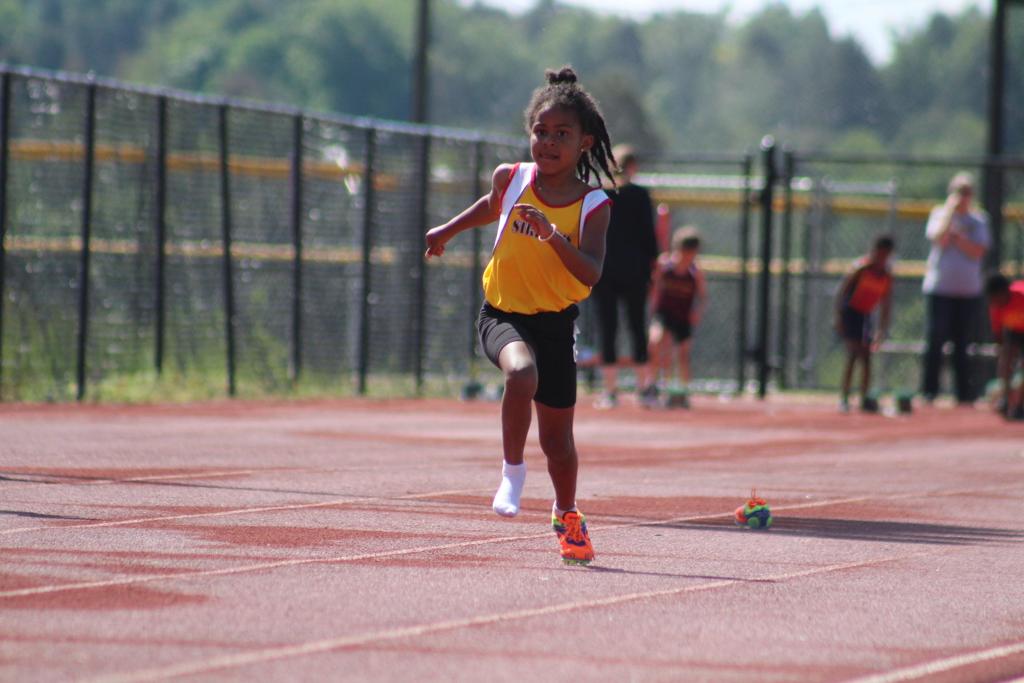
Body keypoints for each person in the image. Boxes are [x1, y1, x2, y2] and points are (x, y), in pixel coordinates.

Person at [424, 66, 615, 565]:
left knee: (559, 443)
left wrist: (552, 235)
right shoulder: (512, 178)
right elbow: (491, 206)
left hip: (556, 324)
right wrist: (446, 230)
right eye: (540, 131)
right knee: (520, 373)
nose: (548, 143)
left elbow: (591, 272)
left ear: (584, 143)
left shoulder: (593, 205)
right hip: (502, 314)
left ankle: (566, 512)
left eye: (561, 135)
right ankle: (511, 473)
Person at [591, 145, 658, 409]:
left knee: (607, 328)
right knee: (636, 326)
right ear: (632, 166)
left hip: (603, 269)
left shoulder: (599, 194)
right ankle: (643, 389)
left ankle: (610, 392)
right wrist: (651, 270)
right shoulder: (640, 195)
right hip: (634, 271)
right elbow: (649, 237)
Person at [921, 172, 990, 405]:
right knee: (936, 340)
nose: (963, 197)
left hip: (968, 290)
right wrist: (950, 212)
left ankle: (964, 394)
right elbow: (938, 238)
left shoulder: (979, 220)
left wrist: (958, 238)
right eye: (959, 192)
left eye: (967, 192)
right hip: (940, 288)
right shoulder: (939, 214)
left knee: (963, 343)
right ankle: (929, 391)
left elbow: (977, 251)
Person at [638, 226, 707, 405]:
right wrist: (653, 306)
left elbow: (702, 296)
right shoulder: (665, 265)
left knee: (683, 353)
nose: (687, 256)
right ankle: (651, 385)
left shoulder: (695, 272)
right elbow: (655, 286)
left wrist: (697, 312)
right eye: (685, 252)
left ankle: (682, 391)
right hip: (664, 313)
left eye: (691, 253)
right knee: (655, 342)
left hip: (683, 316)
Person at [834, 235, 895, 413]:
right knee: (853, 353)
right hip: (850, 312)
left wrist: (881, 330)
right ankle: (844, 397)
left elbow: (885, 304)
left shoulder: (886, 276)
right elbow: (843, 292)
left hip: (866, 314)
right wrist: (838, 317)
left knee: (867, 357)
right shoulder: (861, 268)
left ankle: (864, 397)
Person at [984, 273, 1024, 420]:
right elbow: (998, 334)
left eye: (996, 298)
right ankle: (1006, 399)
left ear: (1005, 292)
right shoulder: (996, 306)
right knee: (1006, 361)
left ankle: (1020, 405)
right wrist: (1003, 355)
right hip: (1015, 330)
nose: (994, 302)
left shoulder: (1021, 296)